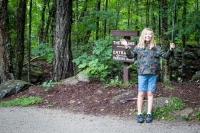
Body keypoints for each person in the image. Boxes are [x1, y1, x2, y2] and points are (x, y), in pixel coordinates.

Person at [120, 28, 175, 123]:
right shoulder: (138, 47)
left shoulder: (156, 47)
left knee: (150, 93)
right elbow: (130, 56)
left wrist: (171, 49)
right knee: (141, 93)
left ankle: (149, 113)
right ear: (143, 36)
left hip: (153, 74)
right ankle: (139, 114)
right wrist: (126, 47)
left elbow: (165, 56)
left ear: (152, 36)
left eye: (149, 34)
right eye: (146, 34)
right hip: (142, 74)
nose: (148, 36)